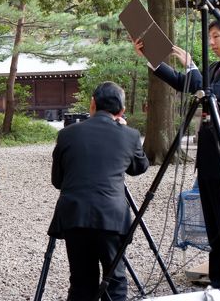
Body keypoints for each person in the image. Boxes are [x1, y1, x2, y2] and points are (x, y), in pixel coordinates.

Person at [135, 17, 220, 298]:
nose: (211, 42)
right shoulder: (213, 69)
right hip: (207, 158)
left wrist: (192, 66)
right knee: (213, 226)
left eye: (216, 36)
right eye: (210, 37)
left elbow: (210, 94)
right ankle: (219, 283)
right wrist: (153, 60)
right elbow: (187, 84)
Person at [48, 82, 149, 301]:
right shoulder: (130, 135)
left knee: (81, 281)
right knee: (115, 279)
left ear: (92, 104)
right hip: (112, 216)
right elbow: (139, 167)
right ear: (121, 110)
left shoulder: (67, 134)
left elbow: (58, 181)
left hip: (75, 214)